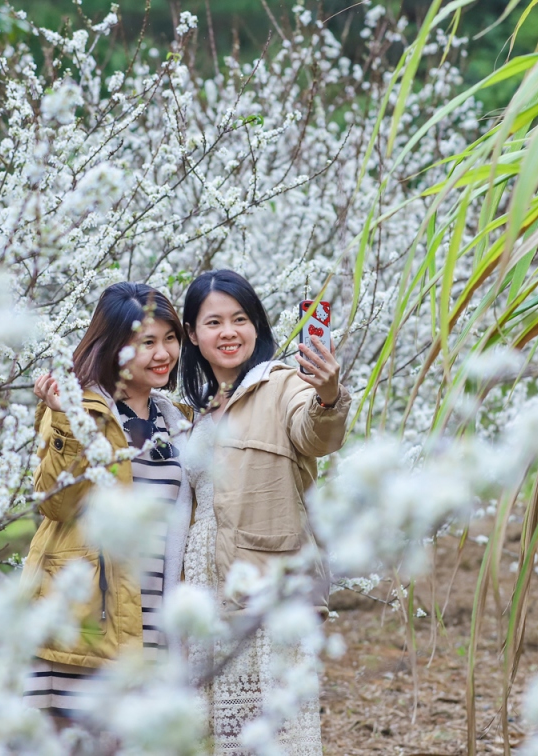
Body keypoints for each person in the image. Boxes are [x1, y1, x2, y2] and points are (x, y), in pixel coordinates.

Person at [179, 269, 348, 754]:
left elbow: (317, 433)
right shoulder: (190, 413)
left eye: (240, 319)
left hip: (265, 586)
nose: (228, 332)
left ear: (257, 326)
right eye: (213, 323)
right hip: (204, 585)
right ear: (193, 334)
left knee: (276, 734)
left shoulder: (284, 386)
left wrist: (329, 394)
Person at [22, 282, 194, 724]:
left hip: (154, 615)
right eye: (147, 343)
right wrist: (66, 418)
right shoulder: (77, 409)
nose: (163, 354)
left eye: (170, 339)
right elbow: (54, 504)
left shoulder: (178, 422)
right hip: (89, 619)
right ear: (115, 347)